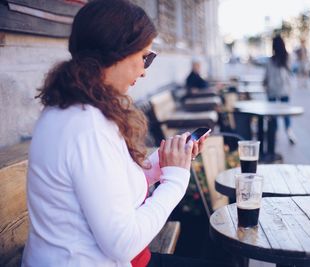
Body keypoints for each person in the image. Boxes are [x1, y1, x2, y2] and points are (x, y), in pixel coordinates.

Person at [21, 1, 229, 267]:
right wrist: (175, 179)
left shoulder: (73, 110)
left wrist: (163, 163)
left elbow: (105, 183)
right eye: (145, 56)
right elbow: (123, 243)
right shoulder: (86, 126)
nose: (144, 71)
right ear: (116, 51)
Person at [263, 35, 296, 145]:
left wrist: (264, 84)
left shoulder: (270, 60)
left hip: (272, 90)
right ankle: (289, 131)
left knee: (273, 114)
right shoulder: (287, 58)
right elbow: (291, 72)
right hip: (284, 89)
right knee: (286, 113)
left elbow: (266, 76)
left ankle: (275, 133)